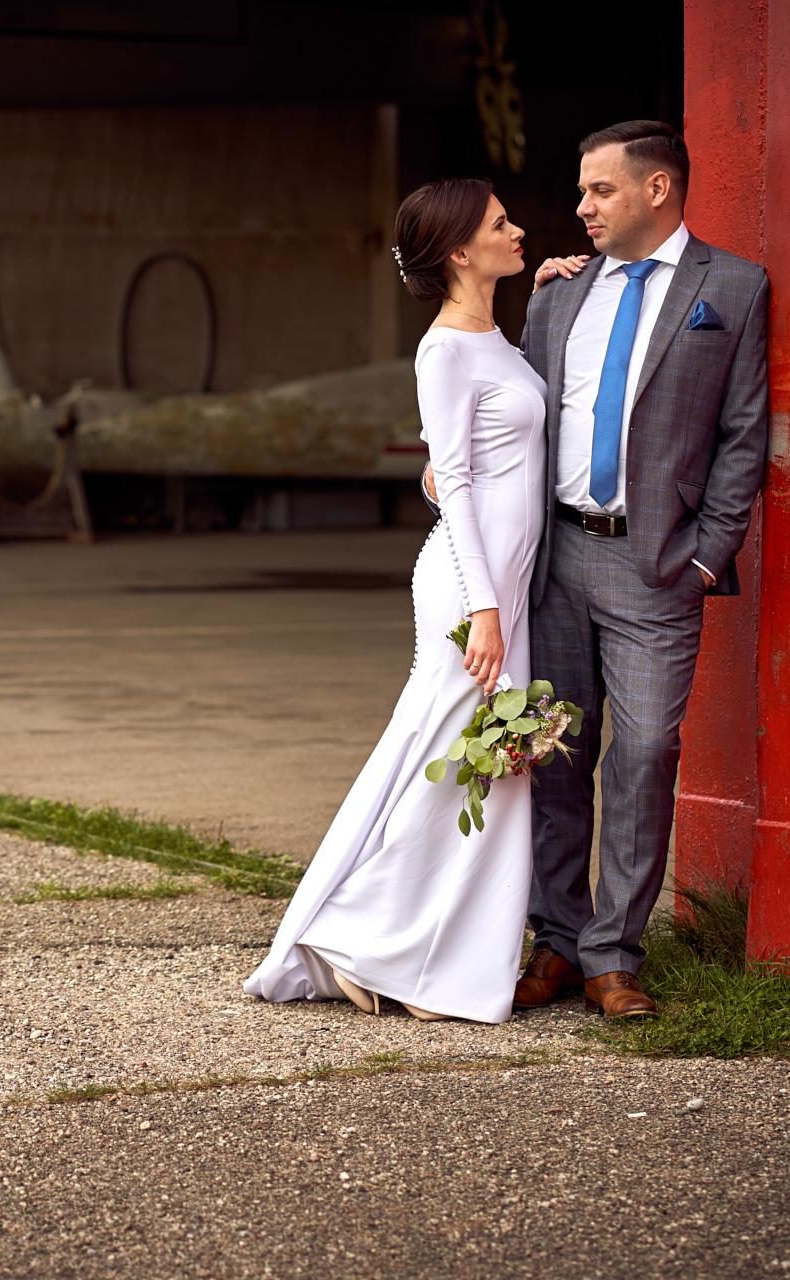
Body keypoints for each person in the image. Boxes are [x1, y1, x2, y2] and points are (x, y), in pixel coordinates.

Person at [244, 178, 545, 1024]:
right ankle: (359, 941)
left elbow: (476, 462)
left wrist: (553, 279)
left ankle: (428, 957)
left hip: (501, 589)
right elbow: (450, 476)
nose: (517, 230)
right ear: (459, 251)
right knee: (459, 763)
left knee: (481, 771)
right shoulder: (445, 348)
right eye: (500, 224)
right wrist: (484, 610)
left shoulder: (498, 338)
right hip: (468, 591)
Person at [509, 120, 769, 1019]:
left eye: (599, 191)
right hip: (555, 561)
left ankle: (616, 953)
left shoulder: (733, 287)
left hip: (658, 566)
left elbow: (743, 434)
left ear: (658, 190)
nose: (581, 208)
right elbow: (518, 416)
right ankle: (559, 943)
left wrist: (706, 556)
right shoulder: (554, 296)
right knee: (552, 754)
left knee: (648, 752)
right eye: (581, 192)